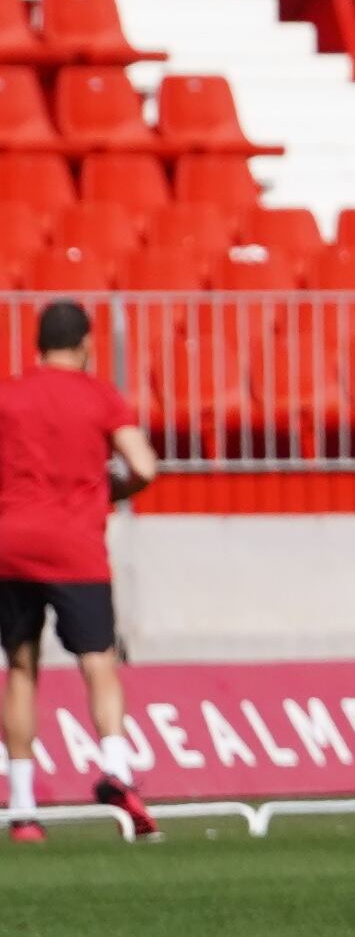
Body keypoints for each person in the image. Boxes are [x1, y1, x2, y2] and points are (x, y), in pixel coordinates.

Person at [2, 300, 161, 846]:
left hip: (12, 544)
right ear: (88, 343)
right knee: (98, 661)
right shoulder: (99, 395)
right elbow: (143, 466)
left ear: (37, 344)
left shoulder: (9, 394)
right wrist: (108, 492)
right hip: (76, 546)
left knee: (21, 668)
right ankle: (116, 767)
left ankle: (23, 810)